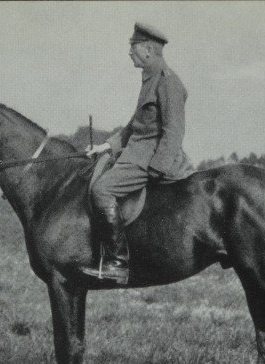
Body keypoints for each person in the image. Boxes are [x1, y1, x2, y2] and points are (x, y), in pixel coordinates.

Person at [80, 22, 194, 284]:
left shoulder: (168, 82)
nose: (129, 52)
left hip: (150, 157)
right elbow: (134, 126)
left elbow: (174, 131)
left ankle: (117, 263)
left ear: (148, 50)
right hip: (137, 152)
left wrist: (157, 167)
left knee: (102, 190)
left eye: (132, 47)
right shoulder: (150, 80)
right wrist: (105, 146)